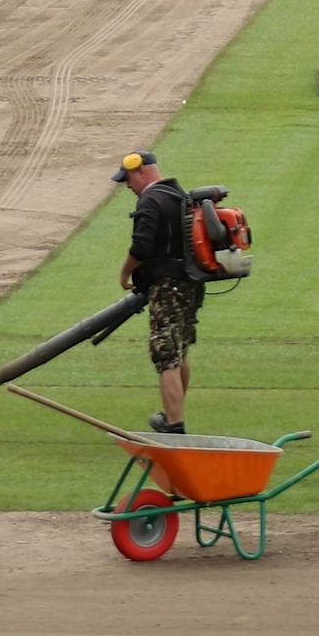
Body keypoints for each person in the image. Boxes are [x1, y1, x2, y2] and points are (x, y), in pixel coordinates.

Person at [114, 150, 203, 434]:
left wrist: (125, 271)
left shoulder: (151, 200)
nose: (127, 186)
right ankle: (171, 416)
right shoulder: (181, 197)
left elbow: (142, 247)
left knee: (165, 354)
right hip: (191, 283)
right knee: (179, 350)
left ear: (142, 172)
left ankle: (174, 426)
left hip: (167, 287)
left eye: (128, 179)